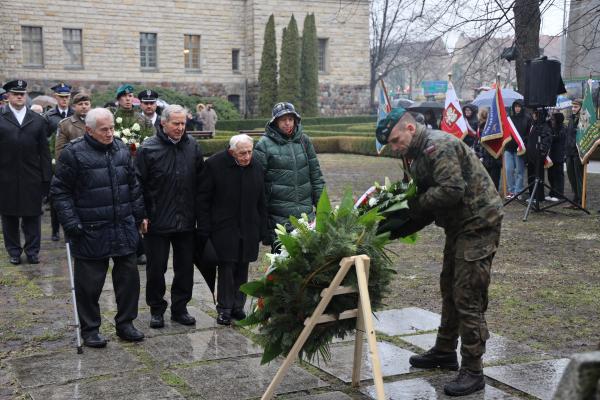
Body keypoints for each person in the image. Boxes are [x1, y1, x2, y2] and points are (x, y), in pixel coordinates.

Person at [375, 107, 503, 396]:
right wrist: (392, 230)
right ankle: (445, 350)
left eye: (395, 141)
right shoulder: (415, 156)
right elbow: (424, 206)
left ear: (409, 128)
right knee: (449, 286)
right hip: (459, 224)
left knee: (467, 293)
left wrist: (413, 206)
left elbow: (451, 190)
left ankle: (473, 369)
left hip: (480, 221)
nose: (394, 148)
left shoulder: (437, 146)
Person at [51, 108, 145, 347]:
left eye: (112, 128)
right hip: (91, 229)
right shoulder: (74, 154)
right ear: (89, 130)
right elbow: (60, 192)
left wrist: (138, 216)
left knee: (128, 281)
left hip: (122, 226)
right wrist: (71, 223)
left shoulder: (122, 148)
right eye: (104, 129)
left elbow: (133, 185)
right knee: (89, 285)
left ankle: (126, 324)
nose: (110, 133)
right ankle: (90, 329)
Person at [135, 104, 204, 328]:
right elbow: (137, 185)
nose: (180, 128)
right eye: (176, 123)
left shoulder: (193, 147)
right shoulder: (148, 149)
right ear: (163, 123)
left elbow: (201, 183)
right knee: (156, 268)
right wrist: (142, 215)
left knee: (185, 268)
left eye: (183, 123)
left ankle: (180, 308)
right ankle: (156, 309)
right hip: (157, 220)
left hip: (186, 219)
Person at [197, 134, 267, 325]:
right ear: (231, 151)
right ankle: (225, 309)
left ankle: (238, 306)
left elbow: (262, 200)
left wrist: (263, 228)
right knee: (227, 268)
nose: (246, 157)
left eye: (249, 152)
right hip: (223, 227)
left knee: (243, 267)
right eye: (242, 153)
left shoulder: (257, 165)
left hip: (249, 226)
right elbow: (203, 200)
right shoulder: (214, 164)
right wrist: (203, 228)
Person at [254, 102, 325, 250]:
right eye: (283, 120)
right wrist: (263, 222)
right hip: (279, 219)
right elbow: (257, 185)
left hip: (307, 217)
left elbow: (316, 177)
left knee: (310, 265)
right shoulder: (264, 145)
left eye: (290, 119)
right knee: (282, 268)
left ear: (295, 120)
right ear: (275, 122)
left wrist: (322, 208)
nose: (287, 123)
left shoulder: (304, 141)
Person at [0, 80, 52, 265]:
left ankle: (32, 251)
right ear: (8, 96)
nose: (20, 96)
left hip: (32, 176)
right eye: (16, 93)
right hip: (6, 177)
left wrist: (47, 178)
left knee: (32, 216)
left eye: (22, 93)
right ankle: (14, 251)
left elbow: (44, 152)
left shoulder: (37, 120)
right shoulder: (1, 117)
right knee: (9, 217)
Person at [114, 84, 153, 265]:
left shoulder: (143, 120)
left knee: (140, 209)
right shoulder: (112, 118)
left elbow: (151, 143)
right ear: (119, 99)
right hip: (117, 171)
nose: (128, 99)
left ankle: (141, 248)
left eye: (130, 96)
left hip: (139, 171)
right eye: (124, 96)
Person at [504, 100, 531, 199]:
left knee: (519, 171)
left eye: (519, 106)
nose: (517, 108)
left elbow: (529, 134)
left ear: (522, 107)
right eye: (515, 106)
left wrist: (524, 142)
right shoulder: (508, 119)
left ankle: (518, 192)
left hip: (520, 148)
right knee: (509, 170)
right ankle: (511, 191)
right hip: (508, 148)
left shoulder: (527, 119)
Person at [526, 110, 552, 205]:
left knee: (539, 177)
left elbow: (546, 141)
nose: (533, 115)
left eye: (535, 114)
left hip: (538, 157)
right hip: (531, 156)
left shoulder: (545, 126)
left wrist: (541, 153)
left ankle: (539, 196)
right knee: (531, 177)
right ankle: (532, 194)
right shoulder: (533, 124)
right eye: (533, 113)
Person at [475, 108, 502, 191]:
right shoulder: (479, 127)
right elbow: (477, 142)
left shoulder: (493, 126)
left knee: (494, 179)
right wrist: (479, 154)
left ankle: (494, 193)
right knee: (487, 178)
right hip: (485, 156)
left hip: (494, 156)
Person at [565, 99, 583, 207]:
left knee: (578, 177)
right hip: (569, 152)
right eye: (572, 107)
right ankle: (575, 198)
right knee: (571, 177)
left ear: (581, 107)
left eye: (576, 107)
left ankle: (581, 199)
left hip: (578, 152)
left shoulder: (584, 119)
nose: (573, 109)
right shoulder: (571, 119)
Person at [547, 112, 566, 201]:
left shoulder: (562, 128)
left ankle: (559, 194)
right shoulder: (552, 127)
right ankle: (552, 193)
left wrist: (551, 136)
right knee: (550, 175)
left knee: (558, 175)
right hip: (551, 155)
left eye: (553, 119)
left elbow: (557, 138)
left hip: (558, 155)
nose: (552, 121)